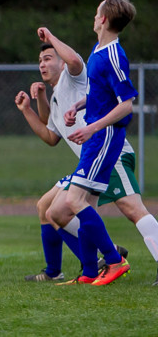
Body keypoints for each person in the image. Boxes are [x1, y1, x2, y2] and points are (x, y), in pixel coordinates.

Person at [15, 32, 158, 284]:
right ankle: (95, 262)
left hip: (111, 153)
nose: (42, 64)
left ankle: (109, 258)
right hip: (90, 160)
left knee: (132, 209)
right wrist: (29, 108)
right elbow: (51, 136)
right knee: (52, 210)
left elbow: (74, 61)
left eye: (48, 58)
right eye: (40, 60)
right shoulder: (59, 97)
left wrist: (50, 35)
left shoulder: (75, 78)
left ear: (61, 63)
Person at [45, 0, 139, 285]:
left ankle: (112, 260)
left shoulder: (113, 54)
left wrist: (91, 128)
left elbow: (127, 104)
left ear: (104, 19)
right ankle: (88, 272)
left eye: (97, 11)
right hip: (96, 138)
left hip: (103, 137)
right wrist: (79, 106)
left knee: (73, 200)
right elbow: (102, 95)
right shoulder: (99, 50)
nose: (94, 15)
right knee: (82, 204)